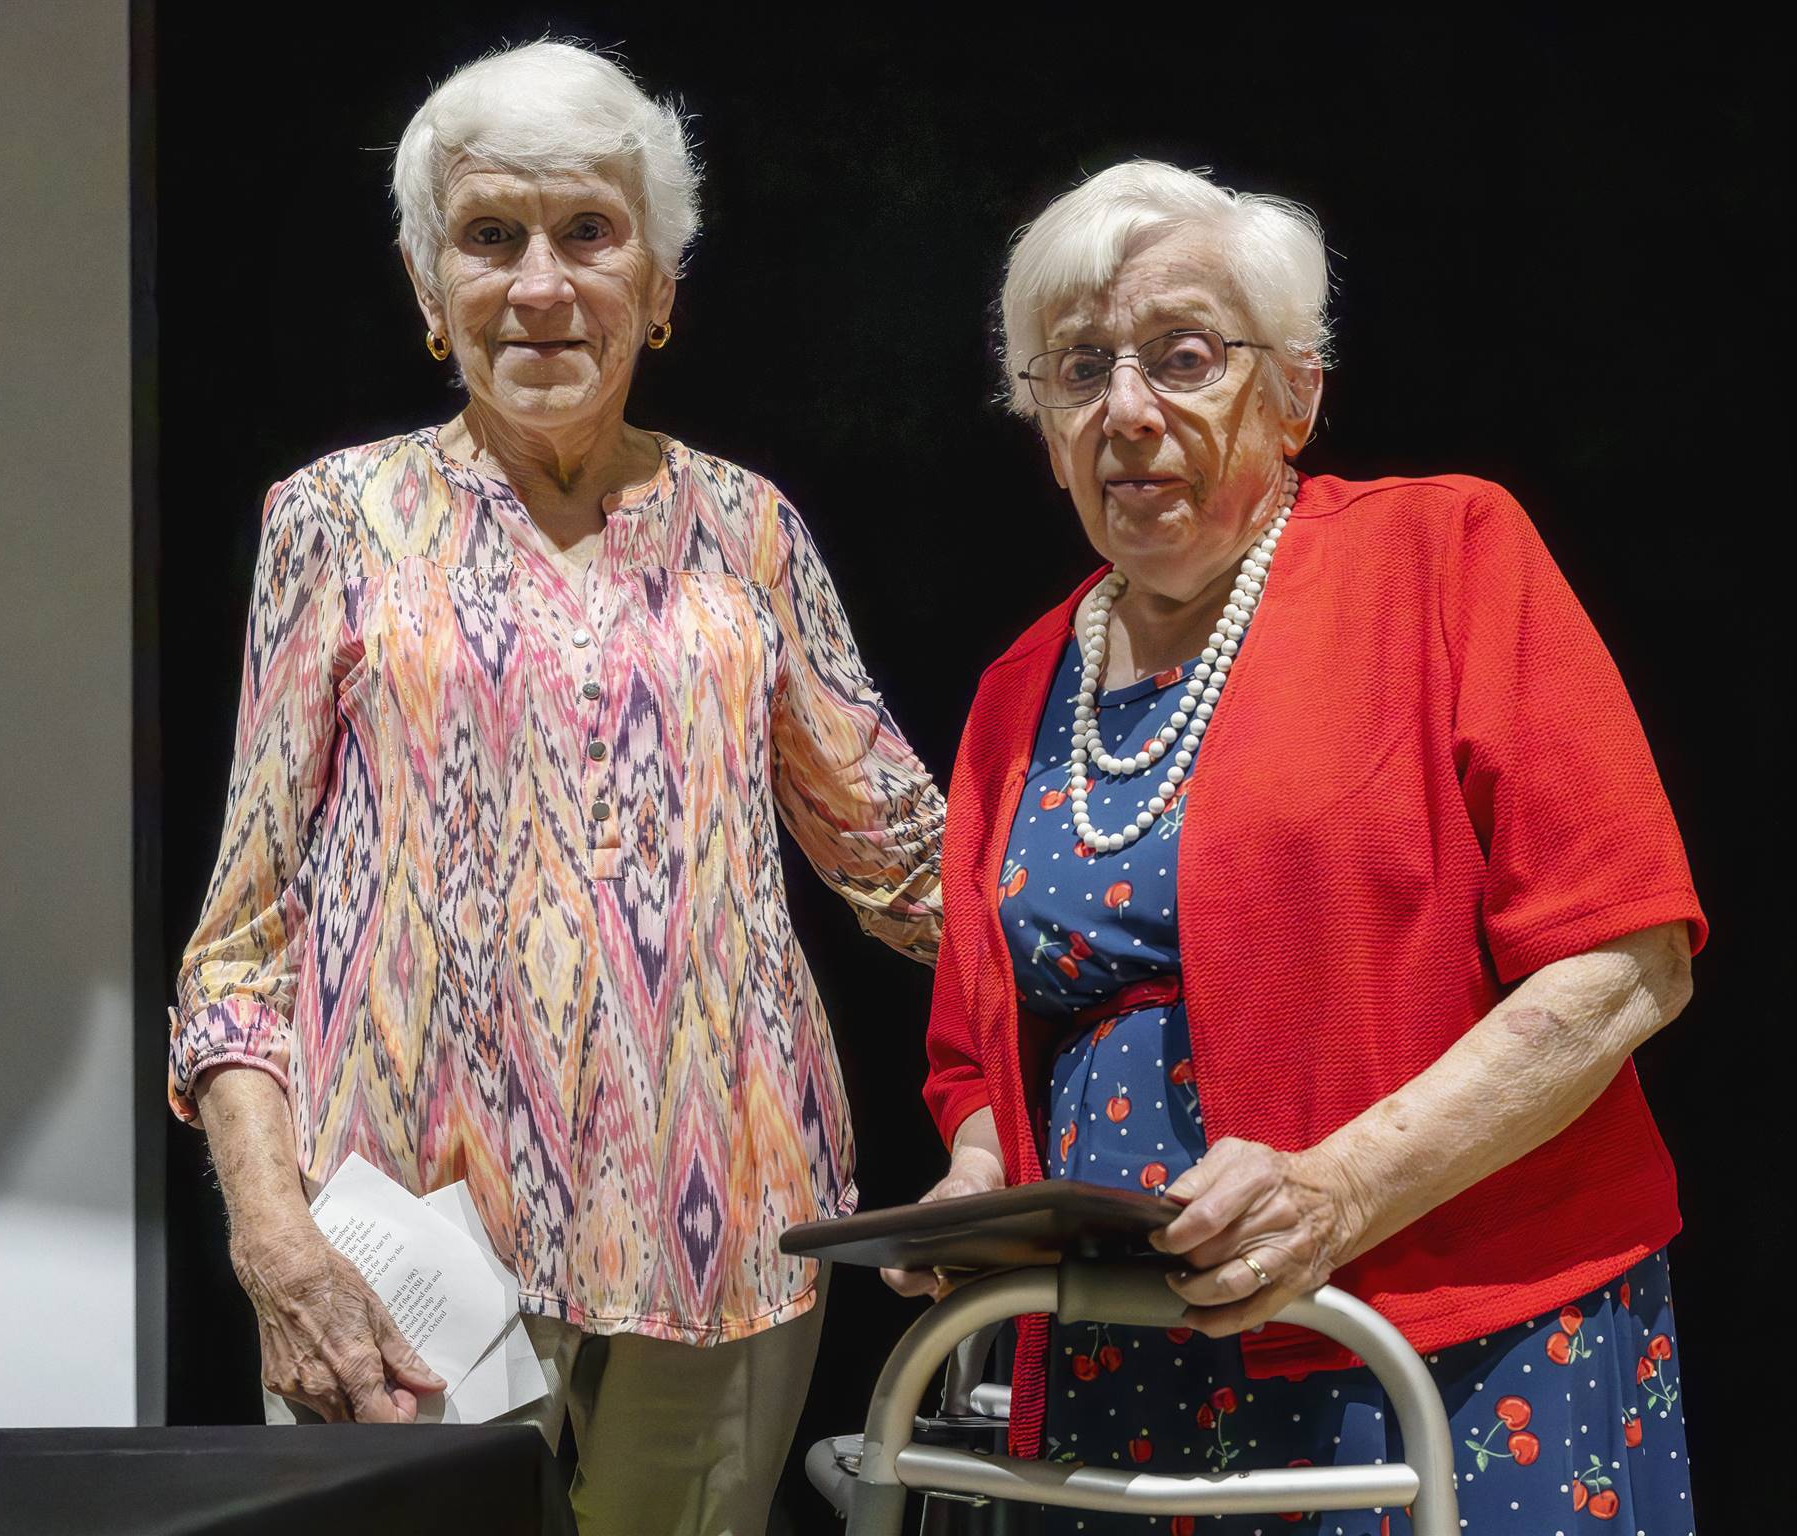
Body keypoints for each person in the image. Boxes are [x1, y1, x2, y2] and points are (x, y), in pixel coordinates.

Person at [167, 40, 943, 1533]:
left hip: (730, 1234)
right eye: (490, 238)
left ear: (661, 284)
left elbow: (909, 867)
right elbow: (240, 946)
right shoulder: (334, 522)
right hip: (405, 1258)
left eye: (590, 234)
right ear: (424, 286)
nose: (541, 285)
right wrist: (274, 1239)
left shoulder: (748, 529)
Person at [884, 160, 1703, 1534]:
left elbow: (1626, 964)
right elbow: (974, 1052)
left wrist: (1339, 1187)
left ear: (1296, 392)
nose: (1127, 411)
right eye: (1078, 370)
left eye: (1183, 356)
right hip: (1123, 1371)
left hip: (1448, 1342)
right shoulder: (1017, 688)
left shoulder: (1445, 556)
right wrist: (979, 1186)